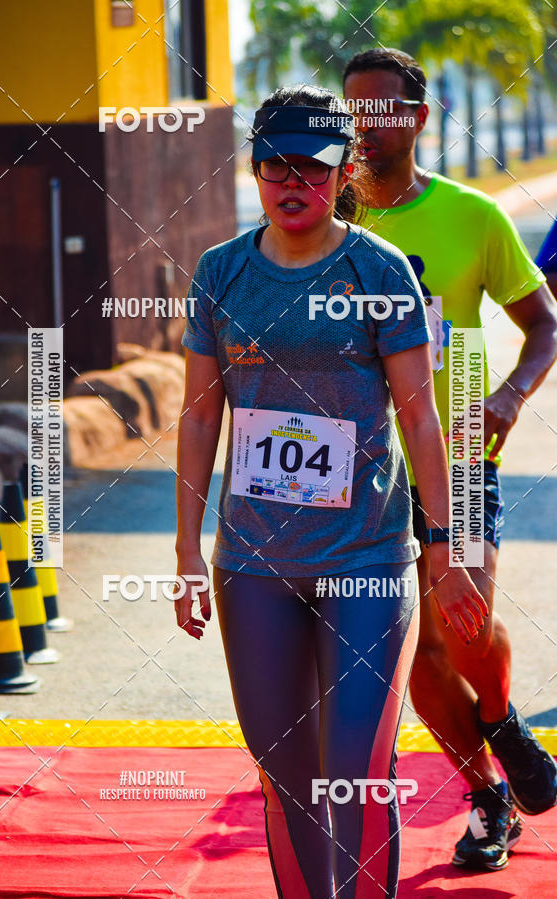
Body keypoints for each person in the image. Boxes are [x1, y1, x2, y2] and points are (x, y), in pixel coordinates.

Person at [175, 83, 487, 898]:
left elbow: (422, 420)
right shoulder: (221, 272)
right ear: (252, 168)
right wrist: (182, 552)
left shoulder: (379, 269)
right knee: (288, 774)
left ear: (344, 170)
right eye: (273, 166)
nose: (291, 184)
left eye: (310, 170)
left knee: (354, 769)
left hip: (367, 558)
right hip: (252, 566)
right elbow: (200, 419)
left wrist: (445, 549)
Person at [343, 47, 557, 872]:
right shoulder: (328, 222)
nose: (367, 124)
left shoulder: (472, 216)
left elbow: (544, 323)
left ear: (418, 119)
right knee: (410, 656)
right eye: (354, 109)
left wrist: (509, 396)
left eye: (384, 109)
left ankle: (502, 722)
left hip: (459, 456)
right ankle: (487, 793)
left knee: (464, 632)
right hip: (357, 474)